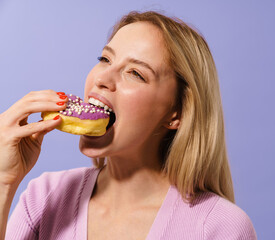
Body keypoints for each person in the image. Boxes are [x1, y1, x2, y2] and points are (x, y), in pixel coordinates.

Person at [0, 11, 257, 240]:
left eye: (135, 73)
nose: (101, 78)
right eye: (105, 59)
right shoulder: (45, 197)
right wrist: (3, 181)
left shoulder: (220, 227)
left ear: (176, 112)